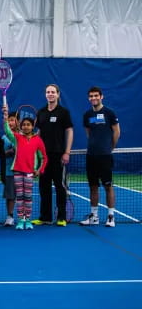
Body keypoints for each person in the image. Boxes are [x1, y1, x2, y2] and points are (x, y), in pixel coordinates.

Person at [33, 84, 73, 227]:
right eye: (48, 92)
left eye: (53, 92)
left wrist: (67, 152)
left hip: (58, 155)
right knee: (43, 187)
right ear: (45, 95)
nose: (50, 94)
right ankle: (45, 217)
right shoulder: (41, 112)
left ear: (58, 95)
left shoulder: (63, 112)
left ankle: (61, 217)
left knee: (59, 187)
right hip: (43, 157)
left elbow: (69, 131)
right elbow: (38, 133)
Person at [80, 86, 120, 227]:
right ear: (88, 98)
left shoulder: (109, 113)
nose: (94, 98)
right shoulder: (87, 115)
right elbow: (88, 133)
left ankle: (110, 216)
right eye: (91, 96)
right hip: (91, 156)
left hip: (105, 156)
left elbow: (116, 132)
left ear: (101, 96)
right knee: (93, 187)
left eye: (96, 95)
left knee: (108, 186)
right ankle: (94, 216)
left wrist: (110, 148)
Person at [3, 104, 48, 230]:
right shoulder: (17, 138)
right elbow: (7, 130)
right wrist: (6, 117)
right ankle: (20, 220)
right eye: (24, 125)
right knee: (20, 197)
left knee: (28, 197)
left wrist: (40, 170)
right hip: (18, 171)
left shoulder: (37, 140)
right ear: (20, 126)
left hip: (30, 173)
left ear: (32, 126)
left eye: (28, 124)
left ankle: (27, 219)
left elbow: (44, 157)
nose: (26, 126)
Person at [1, 112, 18, 226]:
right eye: (9, 120)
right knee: (10, 195)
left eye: (14, 120)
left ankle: (23, 217)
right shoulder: (3, 138)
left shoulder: (23, 136)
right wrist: (11, 151)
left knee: (23, 196)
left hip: (22, 171)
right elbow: (1, 154)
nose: (11, 122)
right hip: (9, 171)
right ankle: (10, 216)